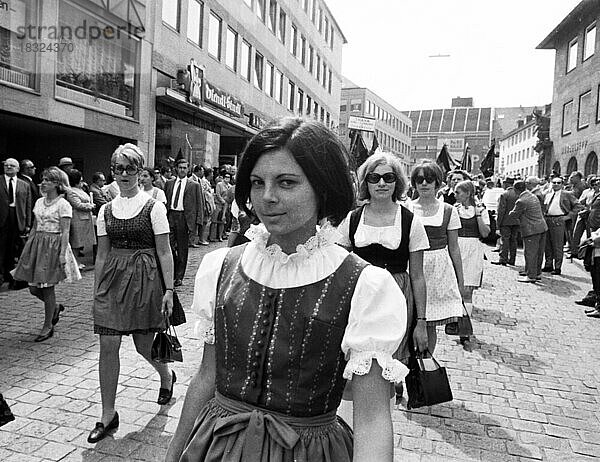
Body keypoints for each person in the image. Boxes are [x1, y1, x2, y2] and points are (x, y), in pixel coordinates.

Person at [166, 118, 407, 462]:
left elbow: (371, 418)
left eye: (286, 182)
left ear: (322, 189)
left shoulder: (365, 285)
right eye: (257, 182)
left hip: (307, 452)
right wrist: (174, 453)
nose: (267, 197)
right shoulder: (221, 267)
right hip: (217, 446)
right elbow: (206, 377)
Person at [89, 143, 176, 444]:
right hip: (113, 280)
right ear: (112, 171)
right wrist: (98, 288)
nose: (124, 174)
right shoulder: (104, 210)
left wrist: (169, 290)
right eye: (118, 168)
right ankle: (107, 414)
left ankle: (166, 376)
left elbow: (164, 251)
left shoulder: (155, 207)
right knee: (108, 344)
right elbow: (102, 254)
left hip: (145, 279)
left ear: (140, 172)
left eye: (130, 168)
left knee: (143, 346)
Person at [336, 152, 429, 402]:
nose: (381, 183)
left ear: (397, 182)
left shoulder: (411, 222)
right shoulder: (352, 219)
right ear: (365, 182)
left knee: (386, 364)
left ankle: (381, 409)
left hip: (396, 297)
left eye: (388, 177)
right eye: (374, 177)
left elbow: (418, 277)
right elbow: (339, 266)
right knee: (354, 361)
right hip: (360, 297)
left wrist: (421, 322)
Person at [11, 167, 81, 341]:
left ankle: (47, 325)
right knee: (34, 288)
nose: (43, 183)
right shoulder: (39, 202)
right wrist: (27, 250)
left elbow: (65, 232)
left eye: (47, 180)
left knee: (47, 288)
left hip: (54, 246)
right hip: (37, 245)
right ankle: (55, 308)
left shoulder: (63, 204)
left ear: (57, 184)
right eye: (43, 179)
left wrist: (62, 254)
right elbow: (35, 226)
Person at [410, 161, 464, 354]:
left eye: (429, 179)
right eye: (419, 179)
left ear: (437, 182)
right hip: (412, 266)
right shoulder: (406, 208)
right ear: (414, 183)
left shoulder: (449, 210)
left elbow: (454, 248)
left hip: (437, 269)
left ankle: (426, 360)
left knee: (429, 321)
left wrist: (460, 280)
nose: (424, 183)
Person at [453, 180, 490, 342]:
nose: (455, 196)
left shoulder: (480, 210)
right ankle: (457, 323)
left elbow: (485, 233)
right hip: (457, 248)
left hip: (474, 249)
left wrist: (478, 215)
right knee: (457, 290)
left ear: (468, 193)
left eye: (458, 192)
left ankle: (465, 330)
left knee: (468, 291)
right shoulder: (454, 210)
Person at [164, 159, 205, 286]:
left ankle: (179, 276)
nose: (182, 170)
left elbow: (199, 204)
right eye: (180, 167)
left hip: (184, 218)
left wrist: (198, 223)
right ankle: (172, 270)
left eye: (185, 168)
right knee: (168, 246)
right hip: (170, 215)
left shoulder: (194, 185)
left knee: (182, 249)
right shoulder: (169, 183)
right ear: (176, 168)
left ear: (188, 170)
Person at [1, 158, 32, 289]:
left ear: (18, 169)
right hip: (2, 219)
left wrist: (28, 223)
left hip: (18, 218)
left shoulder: (24, 184)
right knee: (1, 247)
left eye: (12, 165)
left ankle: (12, 276)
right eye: (6, 165)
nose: (8, 167)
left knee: (15, 248)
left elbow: (28, 205)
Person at [508, 181, 548, 283]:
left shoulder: (521, 201)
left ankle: (531, 275)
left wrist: (510, 213)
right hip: (542, 227)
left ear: (516, 190)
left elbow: (514, 214)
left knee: (530, 253)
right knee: (539, 252)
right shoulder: (532, 196)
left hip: (531, 229)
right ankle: (537, 273)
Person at [542, 176, 581, 275]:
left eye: (558, 183)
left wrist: (568, 216)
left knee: (557, 245)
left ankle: (557, 267)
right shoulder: (548, 194)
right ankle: (548, 264)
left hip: (559, 219)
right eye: (554, 182)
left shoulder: (567, 194)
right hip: (547, 219)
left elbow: (578, 206)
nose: (555, 184)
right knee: (547, 244)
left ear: (562, 184)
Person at [66, 169, 96, 267]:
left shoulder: (80, 189)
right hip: (77, 219)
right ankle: (74, 263)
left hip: (85, 219)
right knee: (76, 243)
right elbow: (77, 204)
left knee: (81, 243)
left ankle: (77, 261)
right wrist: (90, 206)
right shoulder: (71, 191)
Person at [492, 177, 519, 266]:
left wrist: (498, 223)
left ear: (506, 184)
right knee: (513, 240)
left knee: (505, 239)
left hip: (505, 221)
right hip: (516, 221)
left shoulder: (505, 194)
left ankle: (503, 258)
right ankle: (512, 259)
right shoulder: (518, 194)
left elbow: (501, 210)